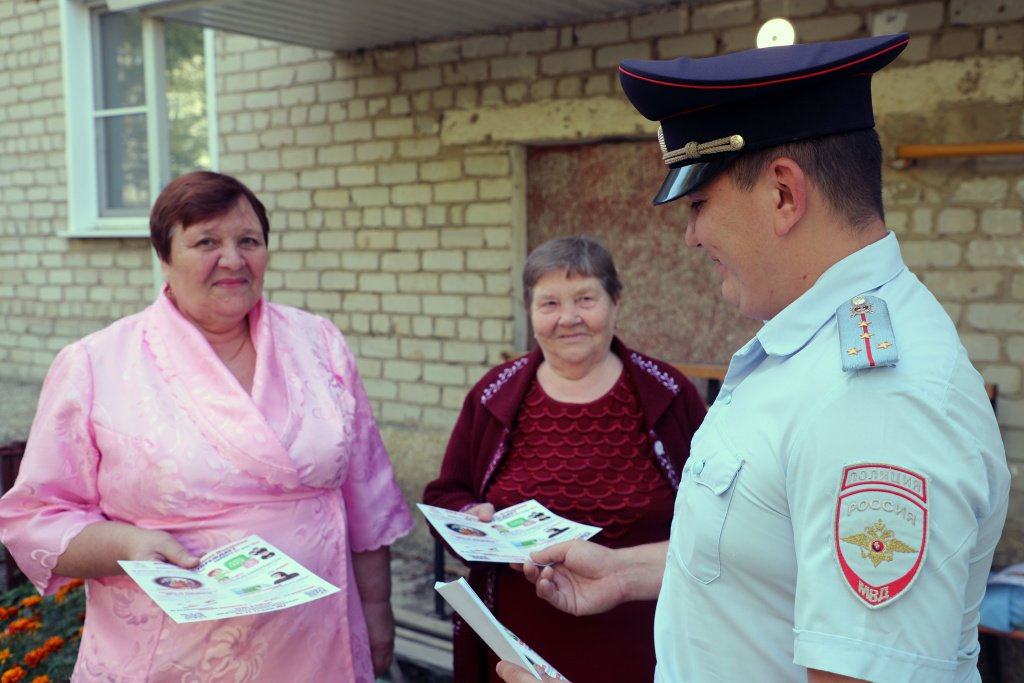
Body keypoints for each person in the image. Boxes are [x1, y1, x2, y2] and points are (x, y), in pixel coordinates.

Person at [496, 33, 1010, 683]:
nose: (690, 235)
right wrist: (625, 573)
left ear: (783, 195)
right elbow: (774, 556)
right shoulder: (814, 350)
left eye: (699, 203)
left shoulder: (877, 401)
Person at [0, 171, 414, 682]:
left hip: (319, 642)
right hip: (175, 653)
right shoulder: (96, 364)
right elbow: (36, 516)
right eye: (207, 242)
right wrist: (127, 547)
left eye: (249, 241)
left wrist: (377, 609)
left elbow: (366, 493)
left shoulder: (318, 341)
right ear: (164, 256)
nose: (234, 259)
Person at [423, 235, 707, 683]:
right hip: (519, 647)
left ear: (615, 302)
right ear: (531, 312)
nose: (568, 318)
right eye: (549, 302)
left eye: (586, 298)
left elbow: (716, 516)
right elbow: (446, 492)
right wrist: (468, 516)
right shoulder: (494, 395)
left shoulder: (669, 395)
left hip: (647, 644)